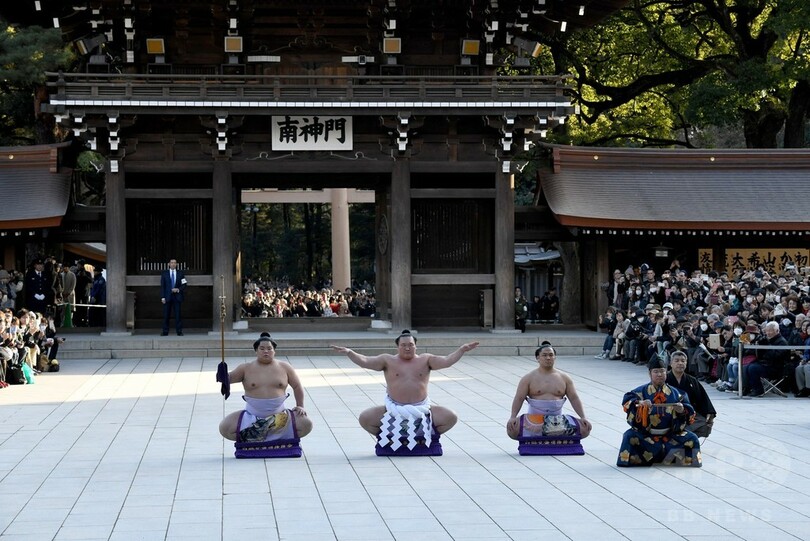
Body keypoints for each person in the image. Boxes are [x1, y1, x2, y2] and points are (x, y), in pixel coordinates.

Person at [330, 330, 479, 446]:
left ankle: (426, 437)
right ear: (398, 347)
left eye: (410, 345)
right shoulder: (387, 360)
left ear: (416, 346)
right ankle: (387, 438)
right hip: (394, 409)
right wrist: (350, 353)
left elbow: (447, 361)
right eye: (404, 345)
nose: (407, 348)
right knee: (365, 418)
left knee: (450, 417)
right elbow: (365, 361)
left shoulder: (426, 359)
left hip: (421, 409)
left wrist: (461, 350)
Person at [218, 333, 312, 442]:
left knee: (306, 424)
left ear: (274, 351)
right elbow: (226, 380)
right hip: (252, 415)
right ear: (256, 351)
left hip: (280, 416)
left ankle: (273, 437)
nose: (266, 351)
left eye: (269, 348)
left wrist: (300, 406)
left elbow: (297, 386)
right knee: (225, 428)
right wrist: (222, 372)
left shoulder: (285, 367)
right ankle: (259, 436)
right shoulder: (245, 368)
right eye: (262, 348)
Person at [617, 356, 702, 467]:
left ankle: (670, 458)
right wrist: (640, 404)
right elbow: (627, 401)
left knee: (692, 438)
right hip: (647, 435)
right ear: (650, 373)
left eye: (662, 371)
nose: (659, 374)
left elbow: (690, 412)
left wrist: (682, 410)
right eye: (656, 372)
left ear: (666, 373)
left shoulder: (677, 394)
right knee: (629, 436)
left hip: (670, 435)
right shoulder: (640, 392)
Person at [506, 343, 592, 440]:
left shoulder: (564, 378)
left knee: (585, 429)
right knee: (512, 430)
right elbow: (519, 398)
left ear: (555, 357)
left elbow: (574, 398)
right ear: (537, 358)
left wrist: (583, 417)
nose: (548, 358)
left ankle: (551, 435)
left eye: (551, 355)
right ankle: (551, 436)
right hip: (534, 421)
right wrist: (513, 417)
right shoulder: (528, 378)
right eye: (544, 355)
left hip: (558, 421)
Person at [665, 351, 716, 437]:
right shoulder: (665, 379)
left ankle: (686, 437)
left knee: (703, 424)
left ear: (686, 363)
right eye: (676, 361)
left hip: (689, 414)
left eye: (683, 361)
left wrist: (710, 413)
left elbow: (703, 398)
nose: (680, 363)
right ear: (671, 363)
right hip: (669, 414)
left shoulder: (692, 380)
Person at [743, 320, 789, 397]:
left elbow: (777, 357)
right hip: (766, 364)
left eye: (770, 331)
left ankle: (758, 390)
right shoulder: (767, 340)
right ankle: (748, 388)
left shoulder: (782, 342)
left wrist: (767, 347)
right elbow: (760, 354)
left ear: (777, 331)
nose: (768, 333)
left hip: (776, 368)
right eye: (767, 331)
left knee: (753, 368)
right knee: (746, 367)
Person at [160, 258, 187, 336]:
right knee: (166, 315)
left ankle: (179, 331)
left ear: (176, 264)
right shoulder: (164, 273)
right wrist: (162, 297)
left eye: (175, 263)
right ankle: (165, 331)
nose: (173, 264)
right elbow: (162, 286)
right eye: (171, 263)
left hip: (177, 297)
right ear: (169, 264)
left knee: (178, 315)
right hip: (167, 297)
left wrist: (178, 289)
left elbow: (184, 284)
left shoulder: (180, 273)